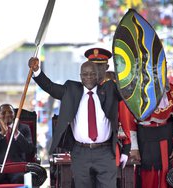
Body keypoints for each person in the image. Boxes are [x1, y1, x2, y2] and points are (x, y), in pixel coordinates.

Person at [28, 53, 122, 188]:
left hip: (105, 152)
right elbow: (50, 87)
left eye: (92, 74)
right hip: (80, 152)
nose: (89, 77)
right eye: (85, 74)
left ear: (98, 76)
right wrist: (36, 71)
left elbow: (128, 92)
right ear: (80, 76)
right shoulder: (71, 89)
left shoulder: (109, 89)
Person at [129, 83, 173, 188]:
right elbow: (130, 124)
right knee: (146, 178)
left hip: (167, 143)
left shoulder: (172, 91)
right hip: (144, 144)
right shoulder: (135, 91)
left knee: (166, 178)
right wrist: (134, 147)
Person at [84, 47, 130, 169]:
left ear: (107, 67)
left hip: (108, 148)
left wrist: (126, 149)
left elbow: (124, 121)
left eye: (100, 67)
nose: (96, 71)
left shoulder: (115, 90)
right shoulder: (80, 90)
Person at [0, 104, 35, 185]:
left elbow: (29, 150)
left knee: (20, 179)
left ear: (14, 114)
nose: (7, 115)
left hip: (17, 168)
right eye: (4, 113)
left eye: (10, 112)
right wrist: (1, 134)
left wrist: (17, 133)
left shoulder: (24, 128)